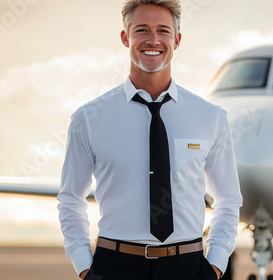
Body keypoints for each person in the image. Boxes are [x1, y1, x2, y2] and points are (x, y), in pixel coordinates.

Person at [57, 0, 242, 279]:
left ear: (177, 40)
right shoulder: (89, 118)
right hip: (114, 267)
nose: (153, 40)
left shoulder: (210, 117)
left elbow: (228, 198)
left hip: (188, 266)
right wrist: (85, 268)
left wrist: (214, 266)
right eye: (142, 30)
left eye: (163, 31)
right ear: (125, 37)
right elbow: (71, 199)